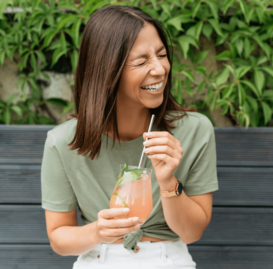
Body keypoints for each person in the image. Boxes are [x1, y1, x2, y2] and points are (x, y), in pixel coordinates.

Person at [41, 5, 218, 269]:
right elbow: (58, 237)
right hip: (99, 258)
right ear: (108, 71)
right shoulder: (62, 142)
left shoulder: (195, 130)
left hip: (168, 259)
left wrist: (168, 180)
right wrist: (98, 232)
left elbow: (191, 233)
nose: (159, 69)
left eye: (162, 55)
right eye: (142, 61)